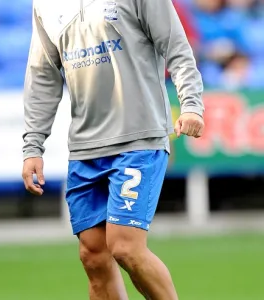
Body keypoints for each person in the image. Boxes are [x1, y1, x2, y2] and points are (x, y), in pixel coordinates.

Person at [22, 0, 205, 299]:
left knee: (125, 247)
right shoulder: (44, 4)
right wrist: (32, 146)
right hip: (85, 148)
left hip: (139, 139)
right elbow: (42, 75)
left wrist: (192, 105)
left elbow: (177, 47)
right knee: (93, 256)